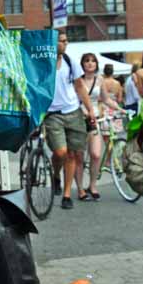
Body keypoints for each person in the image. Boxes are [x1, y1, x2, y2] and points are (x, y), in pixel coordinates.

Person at [46, 33, 94, 209]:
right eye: (62, 41)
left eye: (66, 41)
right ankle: (56, 175)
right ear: (53, 42)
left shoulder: (70, 61)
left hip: (73, 111)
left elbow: (80, 86)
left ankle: (67, 194)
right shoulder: (46, 62)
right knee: (60, 152)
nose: (65, 44)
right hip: (53, 114)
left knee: (73, 154)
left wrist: (90, 110)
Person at [74, 57, 120, 200]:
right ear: (82, 64)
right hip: (79, 119)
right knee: (79, 157)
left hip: (95, 121)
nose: (90, 63)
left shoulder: (100, 80)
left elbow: (106, 99)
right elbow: (73, 100)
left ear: (96, 64)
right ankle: (81, 188)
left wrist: (120, 109)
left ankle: (93, 185)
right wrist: (85, 112)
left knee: (96, 154)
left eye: (93, 61)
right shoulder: (77, 81)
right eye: (87, 61)